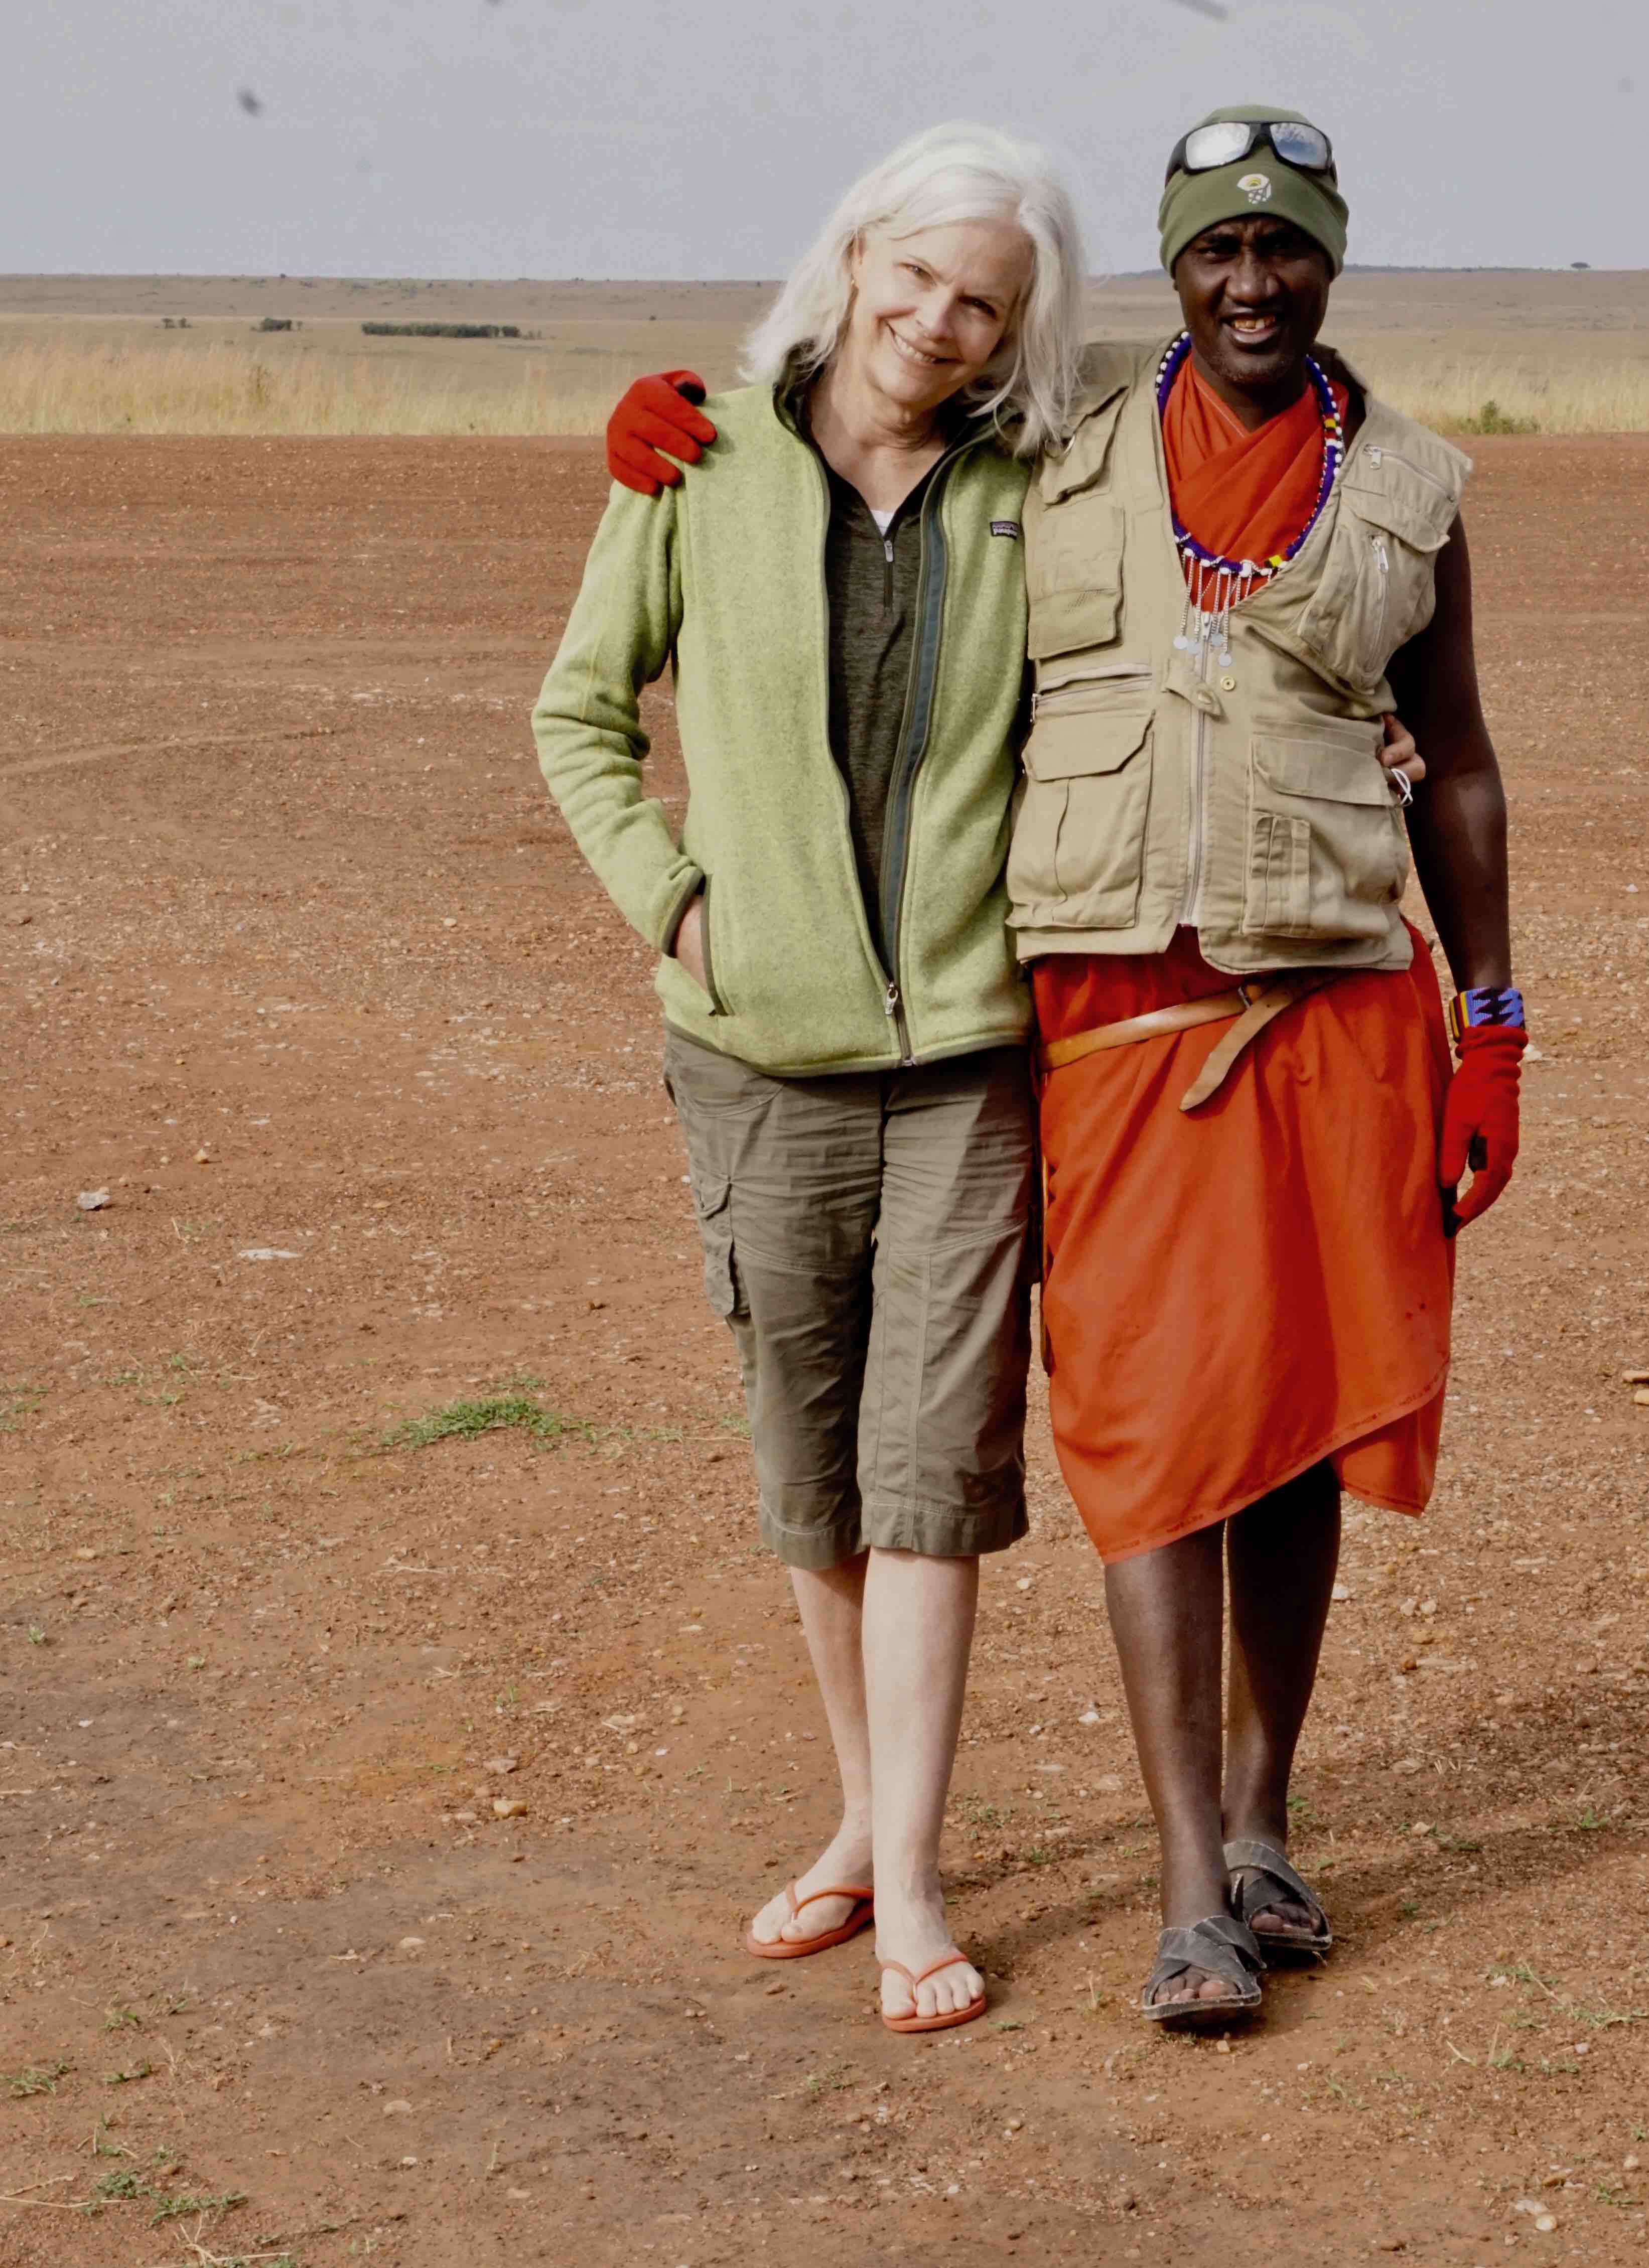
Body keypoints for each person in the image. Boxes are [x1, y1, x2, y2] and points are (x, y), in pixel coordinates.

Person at [607, 105, 1522, 2031]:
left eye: (1286, 249)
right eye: (1216, 250)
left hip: (1338, 1007)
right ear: (1172, 269)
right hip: (1107, 1026)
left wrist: (1495, 1020)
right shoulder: (1066, 427)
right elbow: (864, 390)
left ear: (1331, 259)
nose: (1252, 283)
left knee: (1302, 1425)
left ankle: (1257, 1834)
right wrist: (676, 422)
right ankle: (1184, 1882)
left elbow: (1460, 752)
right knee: (1148, 1427)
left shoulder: (1414, 485)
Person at [534, 123, 1089, 2035]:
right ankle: (857, 1822)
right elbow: (578, 712)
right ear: (856, 255)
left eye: (983, 303)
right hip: (753, 1053)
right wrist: (672, 911)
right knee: (814, 1473)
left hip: (964, 1062)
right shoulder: (695, 454)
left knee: (929, 1475)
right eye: (916, 275)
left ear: (1017, 330)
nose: (937, 322)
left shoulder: (1040, 481)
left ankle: (916, 1877)